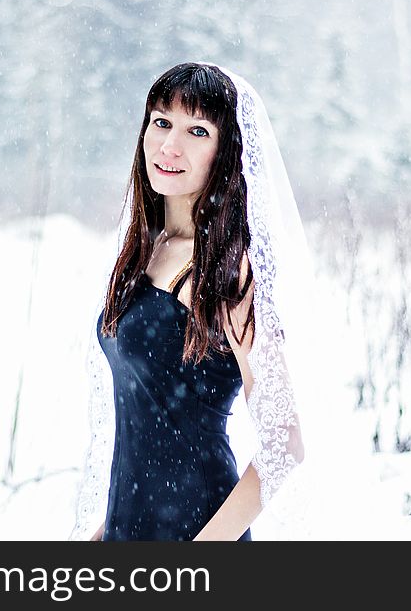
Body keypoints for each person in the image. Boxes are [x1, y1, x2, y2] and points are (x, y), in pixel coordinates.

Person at [70, 62, 317, 541]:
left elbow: (284, 441)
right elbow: (147, 425)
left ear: (226, 152)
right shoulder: (147, 250)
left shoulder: (229, 271)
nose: (169, 146)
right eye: (161, 122)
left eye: (197, 130)